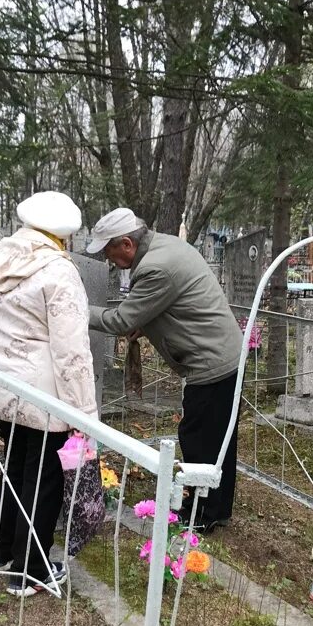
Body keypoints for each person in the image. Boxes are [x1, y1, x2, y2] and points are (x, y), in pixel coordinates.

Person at [0, 191, 98, 597]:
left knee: (15, 464)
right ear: (64, 236)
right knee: (42, 477)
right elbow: (72, 353)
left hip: (1, 385)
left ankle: (3, 547)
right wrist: (85, 416)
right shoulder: (59, 272)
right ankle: (30, 571)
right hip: (45, 395)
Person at [87, 208, 242, 533]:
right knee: (217, 437)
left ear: (127, 244)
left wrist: (76, 308)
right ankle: (217, 507)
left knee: (198, 437)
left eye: (109, 252)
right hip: (223, 352)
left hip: (210, 361)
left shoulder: (155, 268)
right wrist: (148, 326)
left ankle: (201, 512)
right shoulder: (165, 246)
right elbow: (177, 304)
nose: (109, 260)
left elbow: (121, 320)